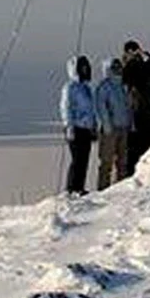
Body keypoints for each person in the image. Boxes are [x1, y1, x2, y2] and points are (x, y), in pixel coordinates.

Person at [121, 40, 150, 175]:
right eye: (131, 51)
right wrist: (141, 60)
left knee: (145, 148)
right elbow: (130, 76)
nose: (135, 53)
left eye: (136, 50)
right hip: (134, 114)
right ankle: (130, 176)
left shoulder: (145, 67)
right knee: (133, 150)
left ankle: (141, 175)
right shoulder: (128, 67)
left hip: (147, 112)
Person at [59, 55, 97, 195]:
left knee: (84, 159)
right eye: (82, 67)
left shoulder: (86, 87)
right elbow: (66, 107)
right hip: (75, 128)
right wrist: (69, 126)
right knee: (77, 159)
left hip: (86, 128)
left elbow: (91, 109)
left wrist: (93, 126)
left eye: (86, 67)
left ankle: (79, 187)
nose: (85, 69)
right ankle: (71, 188)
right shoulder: (70, 87)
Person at [95, 57, 130, 190]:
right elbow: (101, 107)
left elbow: (126, 106)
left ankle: (120, 188)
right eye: (115, 68)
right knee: (106, 162)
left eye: (119, 67)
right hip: (110, 130)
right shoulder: (104, 87)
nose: (118, 70)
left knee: (122, 162)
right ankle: (103, 188)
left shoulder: (121, 86)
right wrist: (107, 125)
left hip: (123, 128)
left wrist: (129, 123)